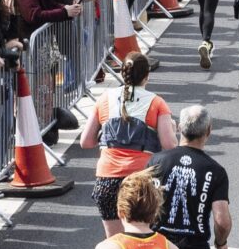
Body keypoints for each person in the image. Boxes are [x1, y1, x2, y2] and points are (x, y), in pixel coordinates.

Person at [76, 55, 179, 232]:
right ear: (147, 75)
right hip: (140, 179)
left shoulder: (104, 99)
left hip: (107, 179)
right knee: (142, 240)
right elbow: (169, 144)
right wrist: (173, 129)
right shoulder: (156, 102)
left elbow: (86, 142)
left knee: (116, 243)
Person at [149, 106, 231, 249]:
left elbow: (142, 203)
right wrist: (221, 243)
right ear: (208, 131)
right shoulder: (215, 171)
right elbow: (222, 221)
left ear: (178, 128)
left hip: (157, 245)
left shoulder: (156, 161)